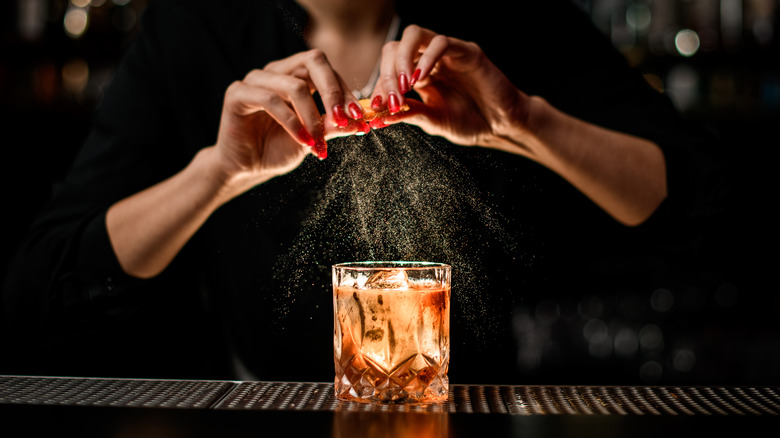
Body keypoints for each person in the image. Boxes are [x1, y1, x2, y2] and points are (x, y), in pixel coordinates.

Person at [2, 0, 720, 382]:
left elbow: (701, 203)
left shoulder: (509, 16)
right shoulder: (193, 27)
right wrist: (215, 174)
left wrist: (523, 122)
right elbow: (43, 290)